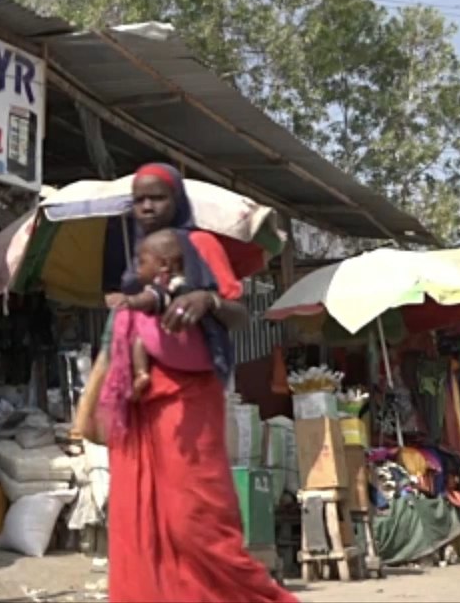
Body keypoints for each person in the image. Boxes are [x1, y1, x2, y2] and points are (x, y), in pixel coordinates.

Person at [101, 163, 297, 603]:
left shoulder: (201, 245)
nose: (147, 206)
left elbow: (238, 311)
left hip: (189, 396)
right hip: (139, 397)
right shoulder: (135, 254)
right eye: (140, 199)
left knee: (197, 519)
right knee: (139, 520)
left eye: (158, 197)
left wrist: (205, 298)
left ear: (178, 202)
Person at [103, 229, 212, 429]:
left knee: (139, 339)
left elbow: (154, 297)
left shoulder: (171, 284)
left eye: (142, 262)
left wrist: (130, 301)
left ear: (163, 264)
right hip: (195, 356)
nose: (137, 269)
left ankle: (141, 372)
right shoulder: (194, 280)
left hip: (177, 345)